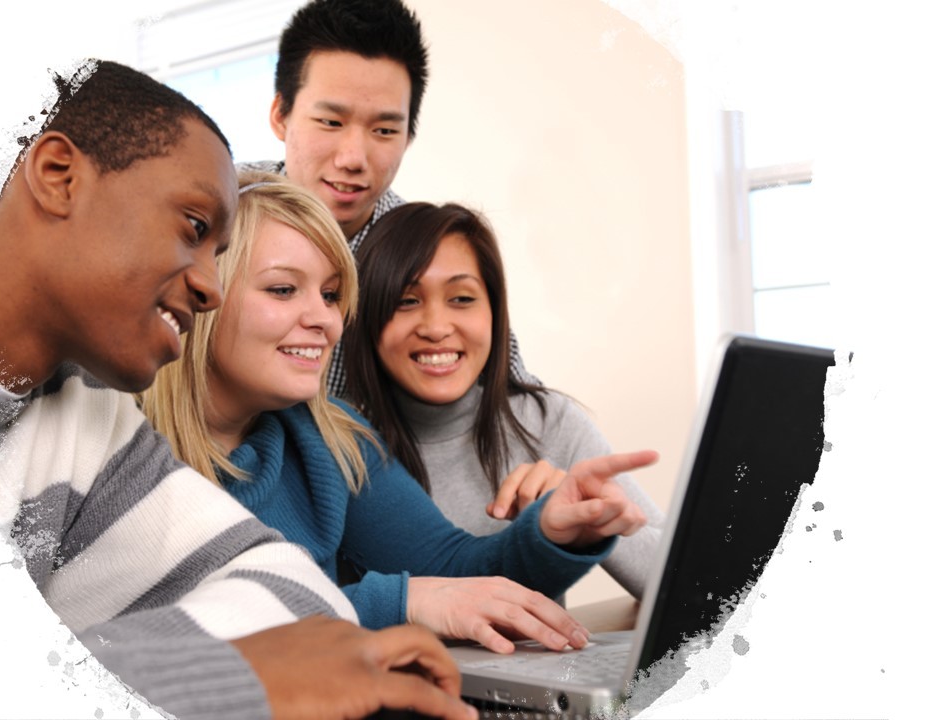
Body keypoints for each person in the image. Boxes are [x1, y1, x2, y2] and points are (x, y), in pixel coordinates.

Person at [0, 59, 476, 720]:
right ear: (59, 176)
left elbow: (298, 600)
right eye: (195, 230)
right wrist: (210, 672)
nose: (209, 287)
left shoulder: (84, 423)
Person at [139, 173, 657, 652]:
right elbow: (173, 635)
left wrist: (550, 535)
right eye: (282, 289)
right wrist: (401, 602)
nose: (322, 319)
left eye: (331, 295)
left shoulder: (333, 437)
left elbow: (455, 574)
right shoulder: (120, 448)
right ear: (204, 293)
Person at [342, 202, 666, 599]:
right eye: (406, 301)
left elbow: (690, 586)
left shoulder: (546, 422)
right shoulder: (337, 446)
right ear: (365, 318)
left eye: (462, 299)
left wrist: (591, 516)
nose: (437, 328)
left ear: (495, 313)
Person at [240, 0, 535, 397]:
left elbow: (511, 395)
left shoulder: (421, 251)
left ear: (408, 137)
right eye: (330, 122)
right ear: (280, 115)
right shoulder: (220, 211)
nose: (353, 159)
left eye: (384, 130)